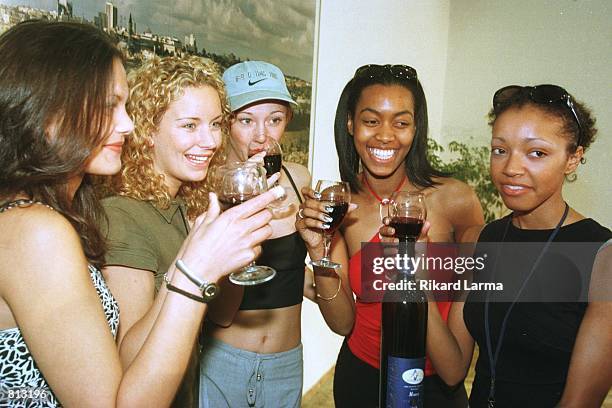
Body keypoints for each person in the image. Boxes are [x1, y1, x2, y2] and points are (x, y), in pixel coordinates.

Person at [0, 20, 282, 407]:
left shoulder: (45, 215)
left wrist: (200, 257)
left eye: (216, 125)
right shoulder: (36, 230)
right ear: (47, 116)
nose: (128, 124)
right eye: (108, 106)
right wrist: (194, 272)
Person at [296, 64, 484, 407]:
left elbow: (461, 346)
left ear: (416, 128)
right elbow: (342, 323)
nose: (386, 135)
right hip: (363, 378)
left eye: (401, 122)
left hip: (436, 383)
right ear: (351, 124)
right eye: (371, 121)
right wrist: (318, 251)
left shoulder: (456, 200)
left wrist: (414, 275)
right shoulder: (341, 207)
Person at [424, 84, 612, 407]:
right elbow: (453, 370)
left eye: (536, 153)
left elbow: (578, 403)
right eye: (500, 150)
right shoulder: (480, 241)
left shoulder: (600, 257)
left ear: (573, 158)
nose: (511, 168)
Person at [99, 55, 231, 407]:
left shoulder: (182, 207)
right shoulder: (122, 216)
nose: (211, 141)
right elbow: (129, 363)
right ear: (147, 131)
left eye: (216, 124)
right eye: (190, 125)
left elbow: (223, 316)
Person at [199, 61, 312, 408]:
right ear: (226, 123)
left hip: (286, 364)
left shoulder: (299, 180)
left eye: (274, 120)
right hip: (224, 361)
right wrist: (246, 215)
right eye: (247, 120)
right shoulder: (207, 190)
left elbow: (294, 274)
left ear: (287, 121)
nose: (262, 136)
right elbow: (219, 314)